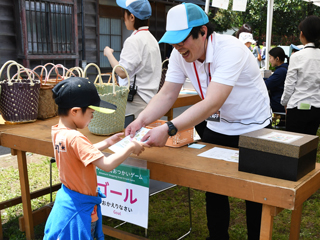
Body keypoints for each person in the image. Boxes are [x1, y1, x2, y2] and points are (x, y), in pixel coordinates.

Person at [125, 3, 271, 240]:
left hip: (253, 127)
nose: (177, 46)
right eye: (173, 40)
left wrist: (169, 128)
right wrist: (141, 120)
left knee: (255, 192)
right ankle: (217, 236)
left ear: (202, 32)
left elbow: (213, 101)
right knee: (212, 187)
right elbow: (167, 93)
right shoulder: (179, 53)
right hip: (217, 126)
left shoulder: (230, 49)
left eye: (182, 39)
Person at [43, 77, 147, 239]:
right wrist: (131, 147)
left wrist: (107, 142)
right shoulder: (75, 137)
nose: (92, 117)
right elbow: (106, 164)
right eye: (91, 113)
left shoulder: (58, 132)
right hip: (81, 210)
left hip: (68, 201)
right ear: (75, 111)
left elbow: (79, 155)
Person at [104, 0, 162, 119]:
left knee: (131, 134)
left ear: (131, 17)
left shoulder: (134, 40)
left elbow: (121, 72)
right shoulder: (152, 39)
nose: (123, 18)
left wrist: (108, 54)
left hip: (135, 100)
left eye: (124, 14)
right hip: (149, 98)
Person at [281, 15, 320, 135]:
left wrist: (284, 102)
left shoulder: (297, 56)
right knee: (309, 144)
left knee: (293, 146)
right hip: (317, 108)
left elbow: (289, 84)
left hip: (297, 107)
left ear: (302, 34)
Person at [264, 47, 289, 113]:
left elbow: (266, 85)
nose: (269, 60)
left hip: (277, 104)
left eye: (270, 57)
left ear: (277, 58)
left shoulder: (280, 71)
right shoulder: (285, 68)